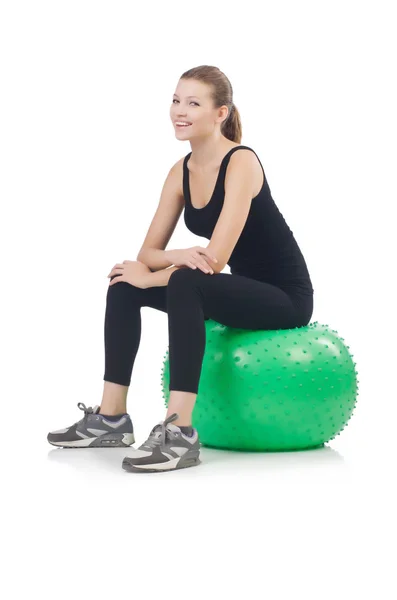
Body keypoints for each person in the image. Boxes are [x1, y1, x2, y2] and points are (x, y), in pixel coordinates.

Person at [47, 65, 314, 473]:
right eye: (175, 100)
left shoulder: (242, 162)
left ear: (220, 113)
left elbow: (214, 262)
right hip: (232, 290)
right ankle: (111, 418)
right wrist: (174, 256)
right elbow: (149, 251)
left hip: (284, 298)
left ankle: (180, 431)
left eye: (193, 103)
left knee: (186, 280)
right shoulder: (180, 172)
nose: (179, 111)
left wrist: (161, 272)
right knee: (123, 284)